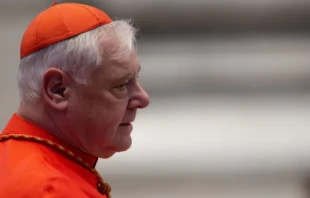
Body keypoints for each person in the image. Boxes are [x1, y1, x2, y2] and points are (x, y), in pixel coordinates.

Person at [0, 2, 150, 198]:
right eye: (121, 85)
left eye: (135, 79)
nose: (143, 99)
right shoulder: (50, 190)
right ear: (58, 90)